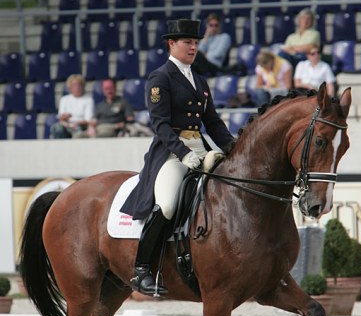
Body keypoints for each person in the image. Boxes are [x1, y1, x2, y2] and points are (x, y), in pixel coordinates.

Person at [120, 18, 235, 296]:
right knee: (168, 204)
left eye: (195, 42)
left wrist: (234, 148)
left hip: (200, 147)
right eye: (188, 42)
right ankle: (142, 270)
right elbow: (159, 124)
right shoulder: (160, 77)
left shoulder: (199, 79)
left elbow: (214, 122)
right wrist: (183, 153)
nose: (193, 47)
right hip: (171, 151)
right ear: (172, 44)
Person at [50, 74, 95, 139]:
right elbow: (61, 118)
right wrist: (64, 117)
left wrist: (75, 123)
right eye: (74, 85)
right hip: (66, 125)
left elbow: (88, 120)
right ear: (70, 87)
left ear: (83, 86)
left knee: (77, 130)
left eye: (79, 85)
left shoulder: (88, 100)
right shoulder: (64, 99)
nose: (77, 87)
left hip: (81, 126)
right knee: (56, 128)